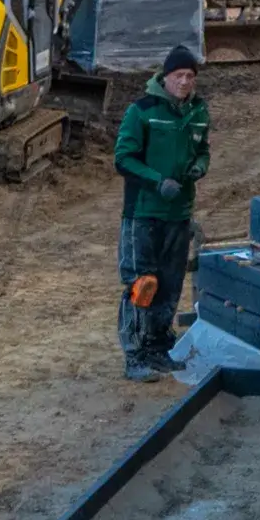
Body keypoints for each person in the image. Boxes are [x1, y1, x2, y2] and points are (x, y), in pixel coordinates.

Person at [110, 47, 209, 374]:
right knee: (143, 285)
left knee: (169, 285)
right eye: (179, 75)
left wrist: (200, 166)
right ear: (165, 77)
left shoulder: (198, 112)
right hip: (144, 214)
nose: (184, 82)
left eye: (190, 76)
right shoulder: (142, 111)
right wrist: (157, 181)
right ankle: (135, 355)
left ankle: (158, 348)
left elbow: (203, 150)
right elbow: (123, 159)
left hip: (178, 215)